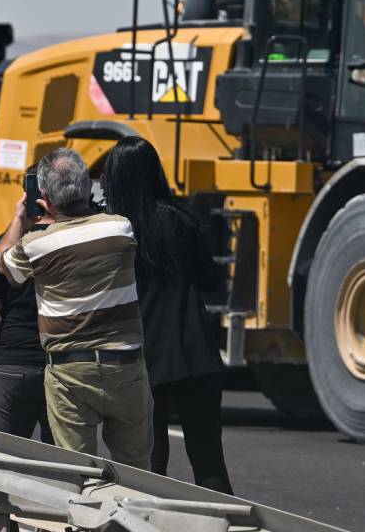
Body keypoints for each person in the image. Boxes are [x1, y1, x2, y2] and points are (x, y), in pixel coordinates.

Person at [0, 148, 152, 469]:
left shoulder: (37, 245)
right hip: (125, 365)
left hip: (70, 371)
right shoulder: (119, 228)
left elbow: (6, 266)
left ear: (43, 195)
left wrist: (19, 219)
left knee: (78, 471)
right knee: (136, 469)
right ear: (87, 186)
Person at [101, 136, 234, 493]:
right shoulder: (181, 220)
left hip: (141, 356)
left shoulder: (113, 229)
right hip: (195, 353)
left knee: (148, 461)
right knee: (208, 456)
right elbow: (210, 279)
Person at [0, 171, 54, 444]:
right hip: (62, 364)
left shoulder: (6, 245)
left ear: (27, 196)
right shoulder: (78, 242)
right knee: (66, 464)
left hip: (13, 362)